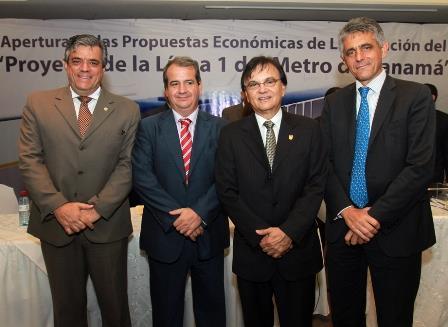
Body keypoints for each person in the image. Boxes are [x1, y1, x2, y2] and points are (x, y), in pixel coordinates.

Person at [320, 17, 436, 327]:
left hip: (396, 230)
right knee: (345, 317)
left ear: (384, 48)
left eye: (366, 47)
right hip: (343, 231)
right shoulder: (334, 103)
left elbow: (420, 166)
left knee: (395, 318)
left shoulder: (415, 96)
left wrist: (371, 218)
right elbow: (323, 164)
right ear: (344, 59)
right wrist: (348, 211)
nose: (359, 57)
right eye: (350, 51)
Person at [18, 34, 140, 327]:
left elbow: (128, 165)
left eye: (93, 62)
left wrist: (96, 209)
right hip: (56, 226)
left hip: (107, 226)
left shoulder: (127, 109)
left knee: (116, 311)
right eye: (77, 61)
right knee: (67, 312)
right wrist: (59, 206)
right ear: (66, 65)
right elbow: (30, 160)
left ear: (103, 68)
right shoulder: (38, 103)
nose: (85, 68)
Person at [215, 56, 326, 327]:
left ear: (283, 87)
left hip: (297, 251)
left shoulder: (310, 130)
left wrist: (288, 232)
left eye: (269, 82)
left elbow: (316, 185)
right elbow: (227, 191)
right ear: (245, 94)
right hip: (254, 253)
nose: (262, 89)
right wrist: (261, 235)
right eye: (253, 84)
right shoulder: (231, 135)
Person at [132, 56, 229, 327]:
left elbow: (226, 179)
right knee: (166, 315)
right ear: (166, 90)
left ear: (199, 86)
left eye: (189, 82)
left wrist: (199, 213)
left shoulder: (222, 129)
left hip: (208, 234)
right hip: (164, 238)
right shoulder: (147, 128)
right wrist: (178, 217)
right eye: (175, 83)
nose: (182, 90)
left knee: (212, 315)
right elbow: (142, 178)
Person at [424, 83, 448, 183]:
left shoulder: (444, 120)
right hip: (408, 178)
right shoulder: (408, 117)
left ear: (432, 97)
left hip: (434, 178)